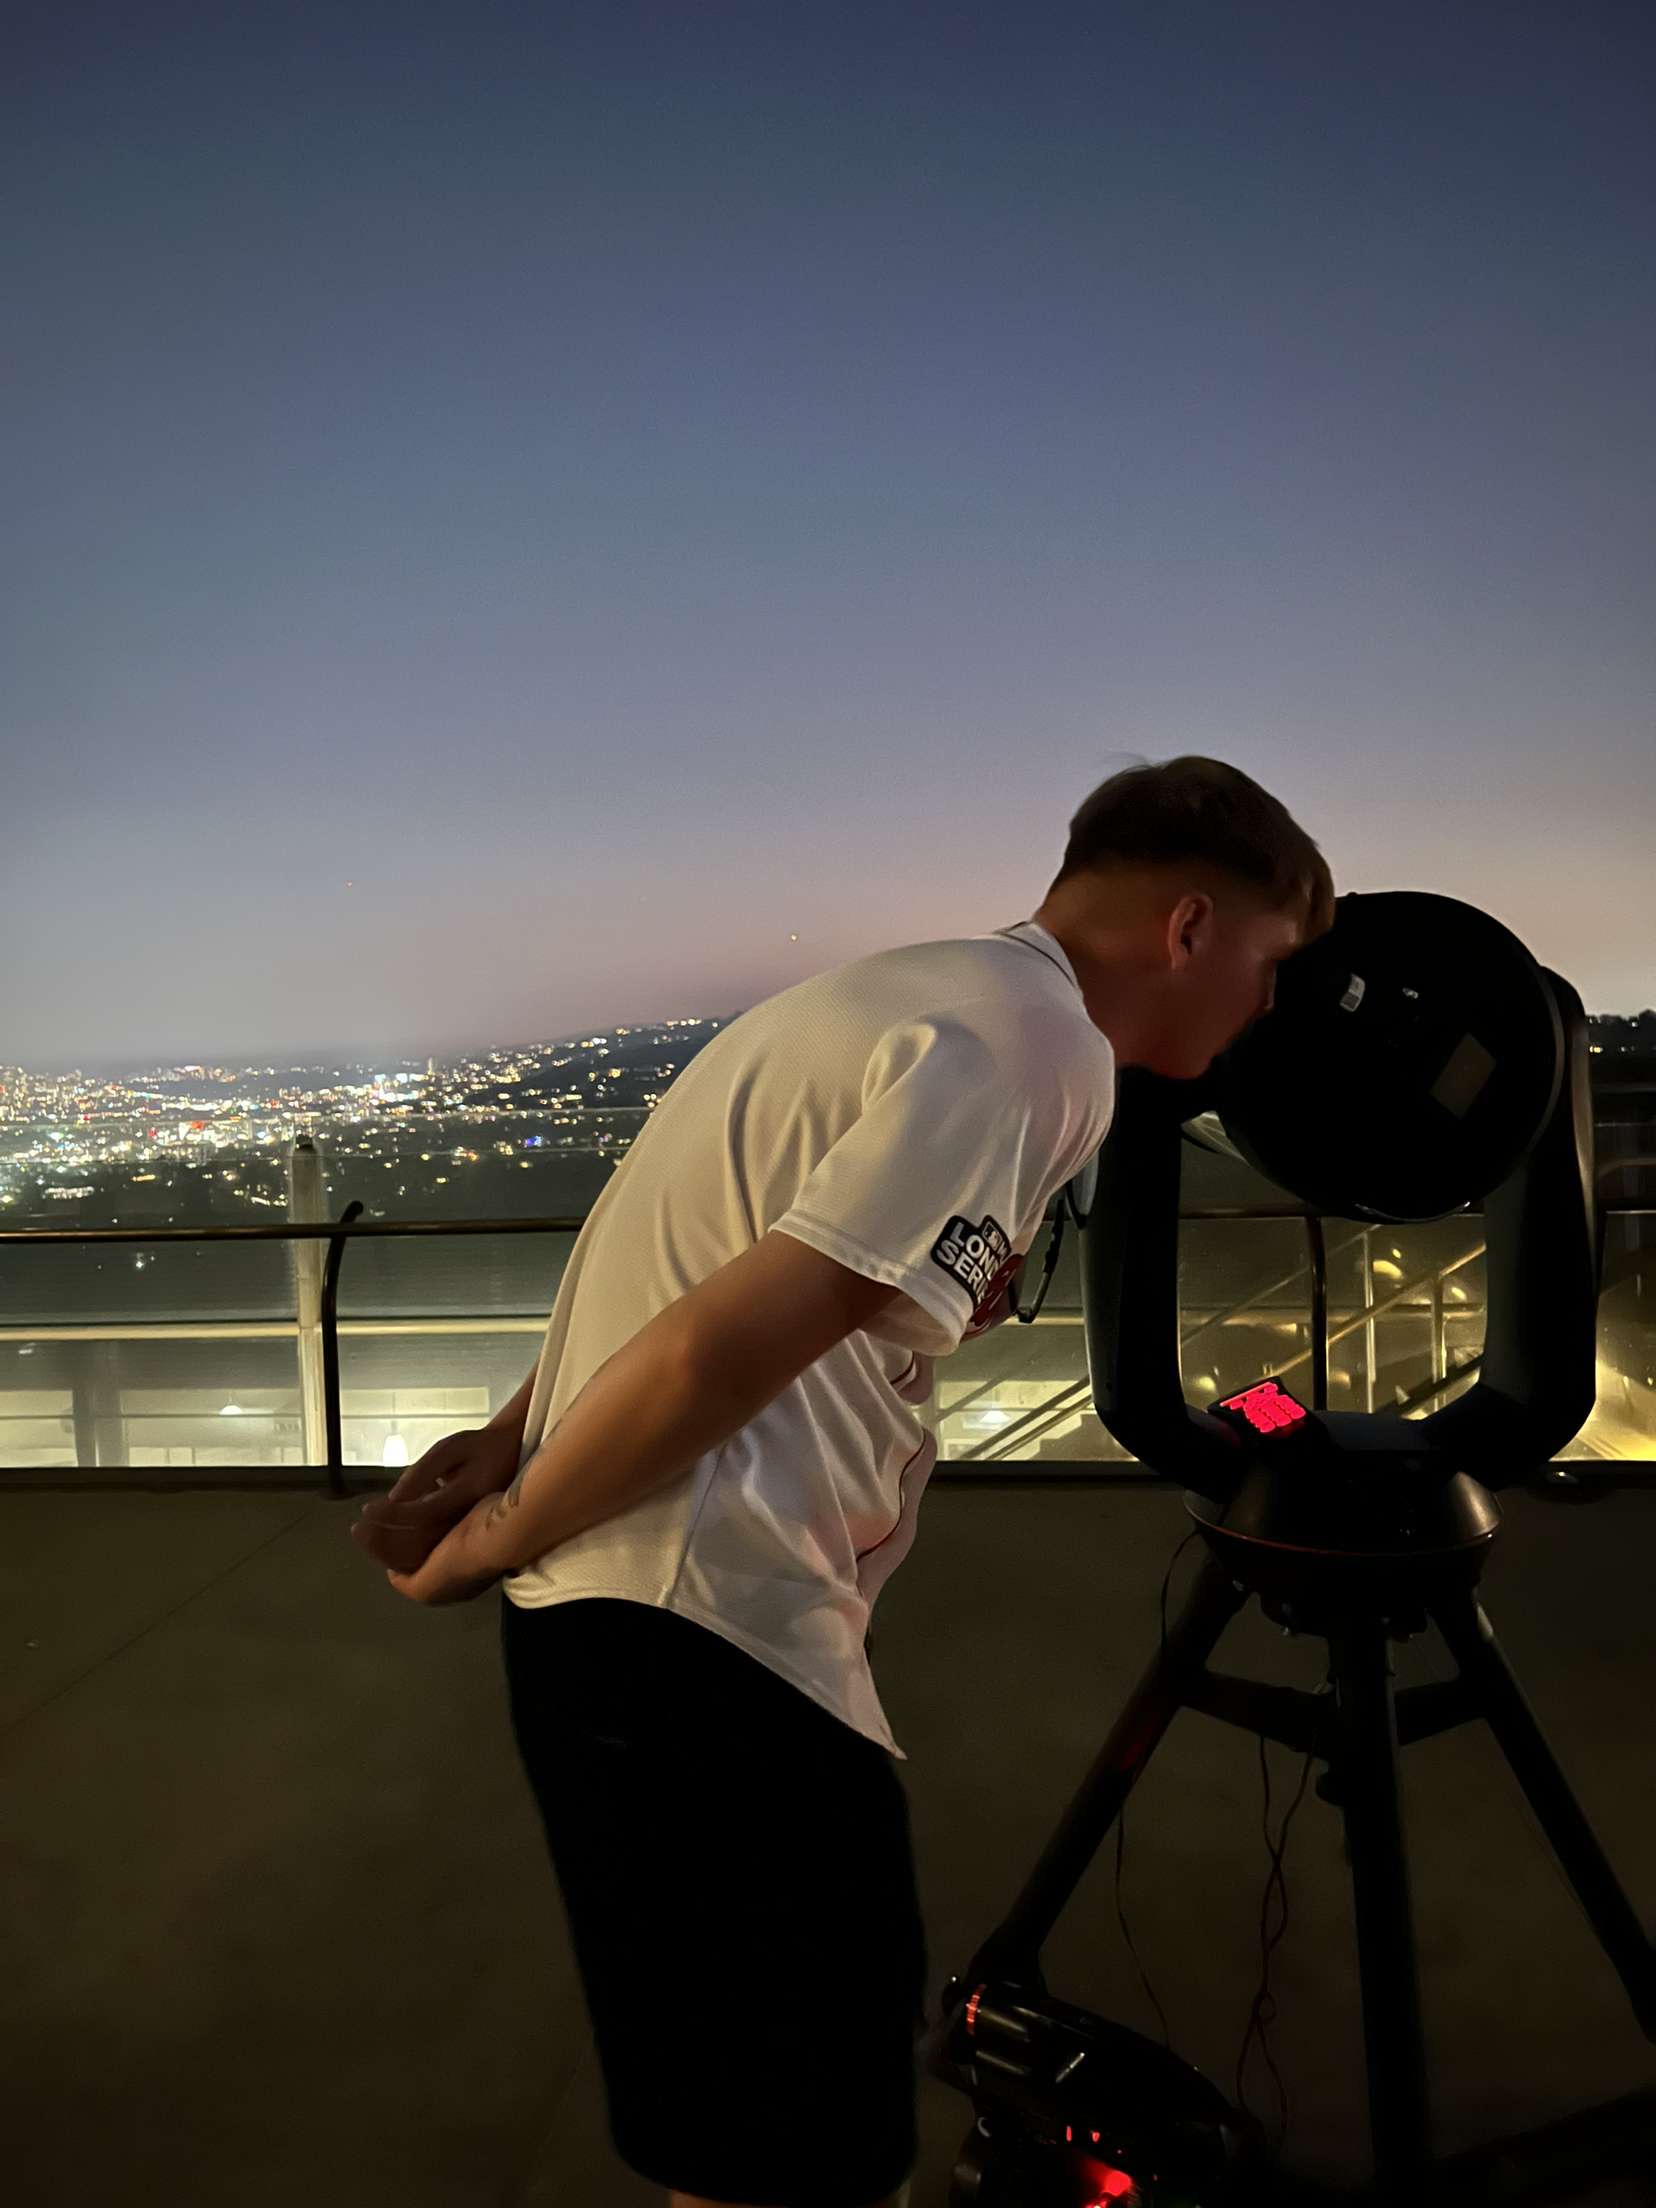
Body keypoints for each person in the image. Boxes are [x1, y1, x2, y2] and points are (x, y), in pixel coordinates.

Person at [351, 754, 1335, 2208]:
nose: (1265, 1007)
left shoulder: (904, 995)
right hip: (707, 1638)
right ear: (1191, 927)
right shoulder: (1037, 1049)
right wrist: (486, 1534)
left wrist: (511, 1447)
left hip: (636, 1630)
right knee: (803, 2154)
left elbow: (693, 1255)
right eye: (1268, 964)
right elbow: (706, 1354)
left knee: (745, 2134)